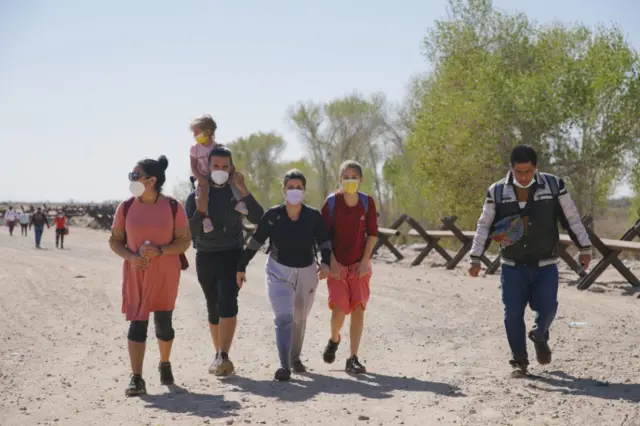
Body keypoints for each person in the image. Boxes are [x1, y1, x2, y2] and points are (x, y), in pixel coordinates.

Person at [468, 144, 592, 376]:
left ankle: (540, 334)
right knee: (512, 313)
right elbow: (484, 225)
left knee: (548, 308)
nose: (523, 176)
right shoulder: (496, 192)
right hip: (512, 266)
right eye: (519, 171)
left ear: (536, 168)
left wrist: (585, 248)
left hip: (545, 264)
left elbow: (572, 219)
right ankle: (519, 361)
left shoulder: (555, 186)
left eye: (528, 171)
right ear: (511, 168)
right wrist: (476, 257)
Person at [237, 169, 332, 381]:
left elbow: (324, 241)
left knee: (299, 318)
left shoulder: (313, 216)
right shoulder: (272, 216)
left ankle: (295, 358)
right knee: (283, 317)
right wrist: (241, 265)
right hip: (278, 270)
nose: (294, 191)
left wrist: (326, 263)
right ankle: (284, 366)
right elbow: (256, 241)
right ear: (283, 189)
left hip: (307, 271)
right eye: (290, 187)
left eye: (298, 188)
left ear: (304, 191)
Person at [108, 155, 192, 397]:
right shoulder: (125, 207)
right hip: (136, 272)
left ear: (151, 180)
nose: (131, 180)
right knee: (137, 324)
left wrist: (160, 251)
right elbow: (115, 241)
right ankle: (136, 378)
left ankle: (164, 364)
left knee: (164, 324)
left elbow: (184, 241)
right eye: (131, 176)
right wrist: (132, 257)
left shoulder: (173, 207)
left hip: (165, 272)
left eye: (136, 176)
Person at [185, 145, 264, 377]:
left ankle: (224, 355)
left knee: (228, 302)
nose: (220, 170)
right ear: (207, 167)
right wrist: (200, 209)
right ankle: (218, 353)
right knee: (213, 305)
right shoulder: (197, 194)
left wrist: (244, 189)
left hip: (232, 253)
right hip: (206, 256)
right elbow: (190, 233)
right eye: (215, 166)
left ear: (231, 168)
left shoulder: (237, 191)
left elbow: (259, 217)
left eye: (224, 166)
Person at [320, 160, 378, 374]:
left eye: (354, 176)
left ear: (361, 180)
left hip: (359, 264)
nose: (350, 180)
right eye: (346, 176)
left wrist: (365, 261)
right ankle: (334, 339)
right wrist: (332, 263)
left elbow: (372, 233)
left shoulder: (367, 202)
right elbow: (323, 237)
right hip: (337, 264)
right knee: (339, 309)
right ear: (340, 179)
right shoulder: (331, 203)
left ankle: (352, 357)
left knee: (358, 309)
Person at [189, 115, 248, 234]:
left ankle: (240, 203)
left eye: (197, 132)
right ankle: (206, 219)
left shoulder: (217, 147)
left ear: (208, 131)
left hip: (219, 176)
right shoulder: (194, 149)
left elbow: (228, 163)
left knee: (232, 183)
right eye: (193, 132)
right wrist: (200, 179)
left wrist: (233, 174)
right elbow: (193, 166)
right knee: (199, 194)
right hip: (203, 177)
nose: (195, 135)